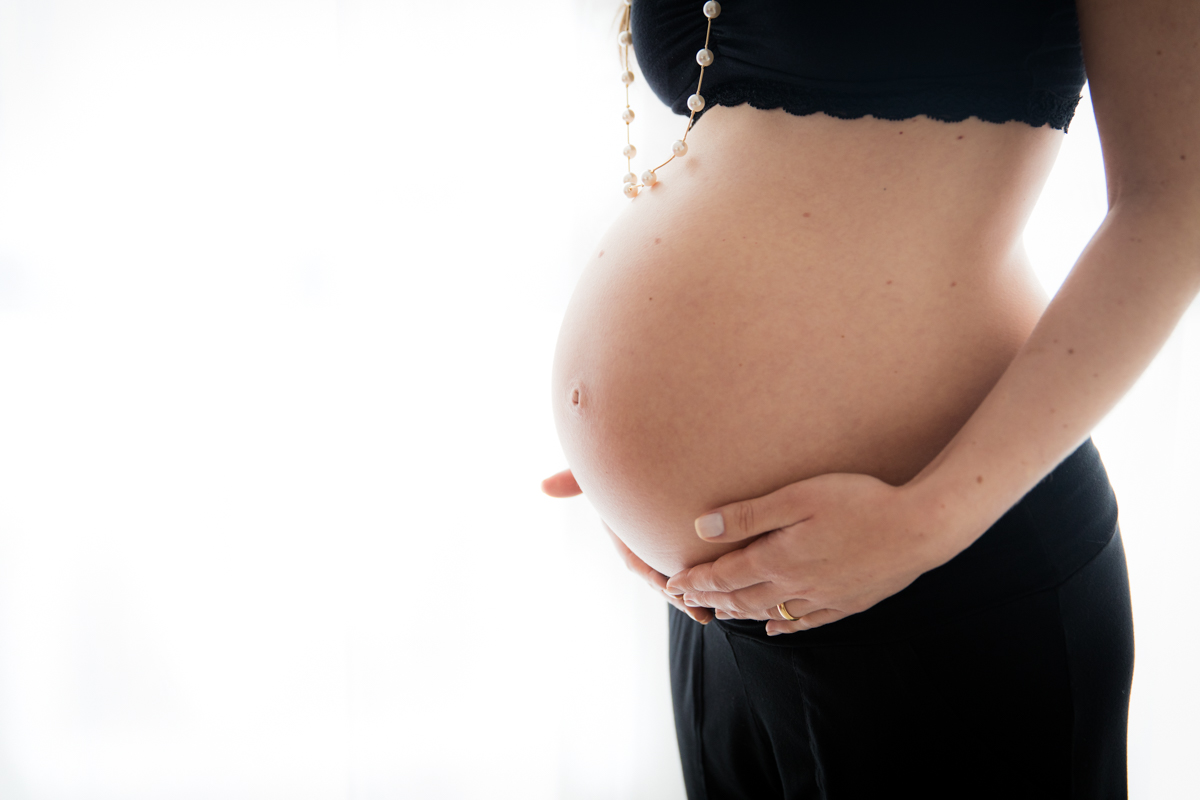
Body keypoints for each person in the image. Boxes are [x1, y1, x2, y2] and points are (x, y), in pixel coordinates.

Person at [543, 1, 1198, 797]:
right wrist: (636, 451)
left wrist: (927, 524)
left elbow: (1175, 204)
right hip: (720, 612)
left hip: (944, 579)